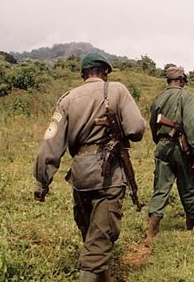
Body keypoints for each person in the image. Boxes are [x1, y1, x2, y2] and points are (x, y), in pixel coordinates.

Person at [33, 52, 146, 282]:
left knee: (93, 238)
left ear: (83, 74)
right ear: (105, 72)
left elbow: (50, 142)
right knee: (96, 249)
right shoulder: (116, 90)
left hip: (80, 177)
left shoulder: (66, 99)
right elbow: (136, 130)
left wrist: (41, 181)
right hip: (109, 177)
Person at [145, 65, 194, 247]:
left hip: (162, 145)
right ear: (182, 80)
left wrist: (160, 141)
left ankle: (152, 229)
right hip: (181, 147)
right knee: (188, 186)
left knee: (161, 187)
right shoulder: (185, 96)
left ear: (168, 80)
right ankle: (192, 226)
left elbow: (152, 125)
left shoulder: (159, 97)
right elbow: (191, 126)